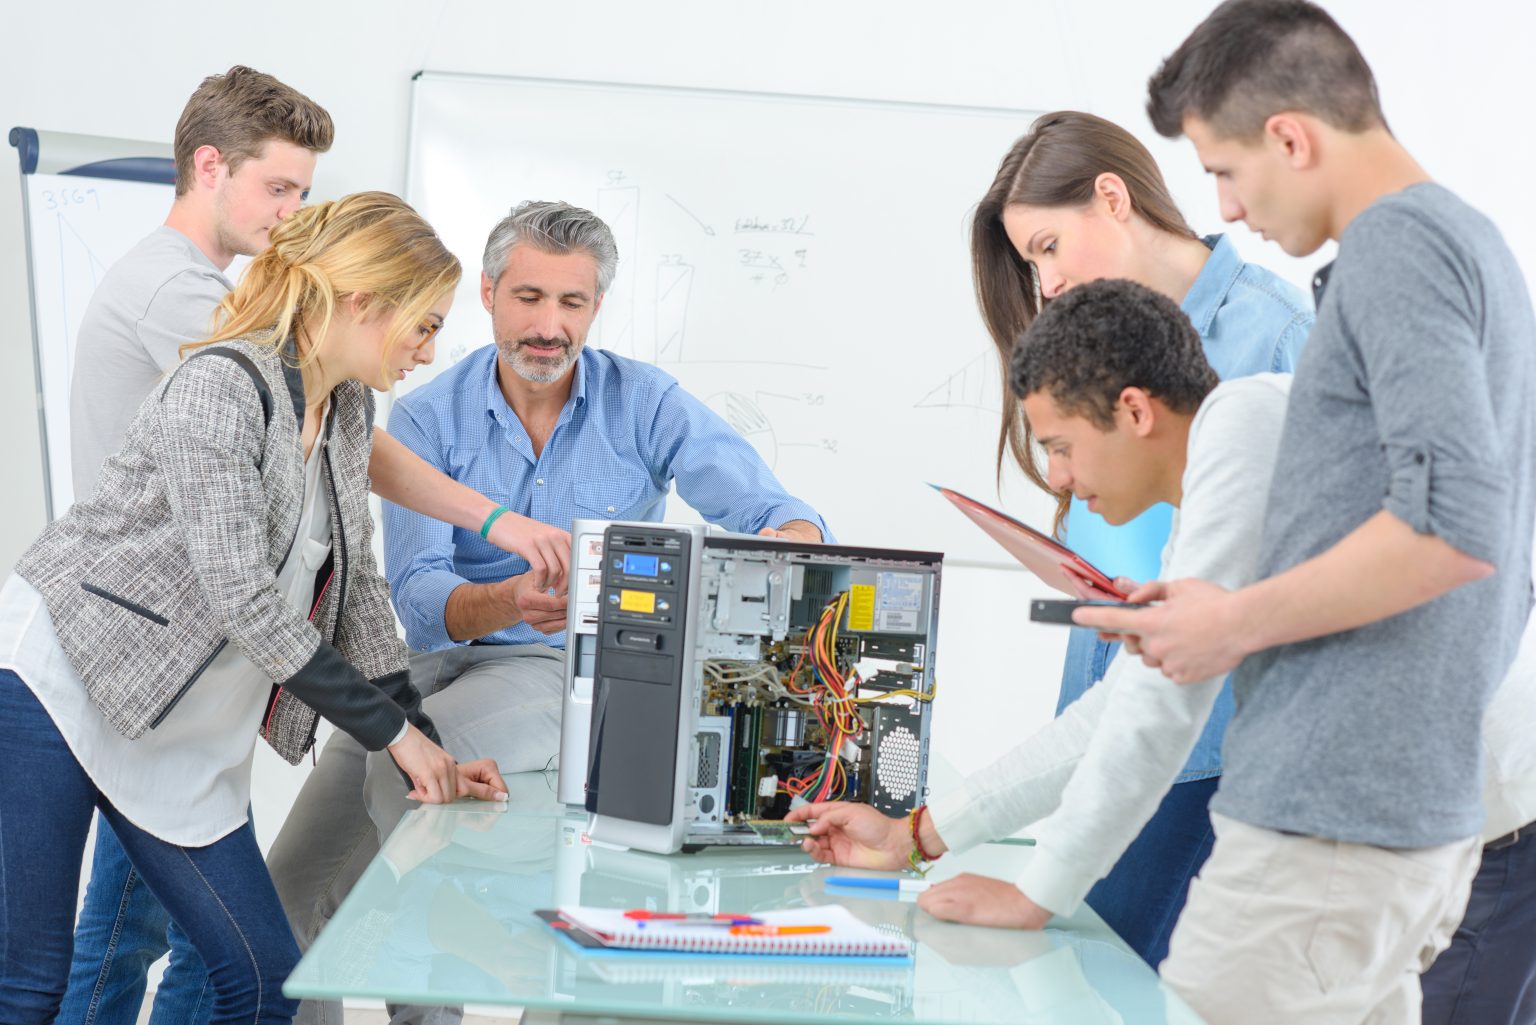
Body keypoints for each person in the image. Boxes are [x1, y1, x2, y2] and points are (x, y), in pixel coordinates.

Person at [60, 67, 568, 1025]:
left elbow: (356, 571)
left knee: (188, 945)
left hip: (198, 674)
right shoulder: (200, 319)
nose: (294, 214)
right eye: (281, 188)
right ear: (210, 167)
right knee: (142, 937)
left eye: (304, 193)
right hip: (146, 665)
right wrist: (496, 524)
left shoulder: (317, 381)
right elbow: (259, 580)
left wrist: (404, 720)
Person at [1075, 2, 1536, 1022]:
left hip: (1332, 813)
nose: (1228, 211)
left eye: (1223, 172)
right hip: (1390, 806)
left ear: (1291, 135)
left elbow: (1454, 522)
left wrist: (1228, 622)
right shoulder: (1464, 246)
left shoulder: (1400, 250)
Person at [268, 199, 830, 1025]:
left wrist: (791, 535)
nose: (549, 325)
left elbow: (774, 511)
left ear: (596, 307)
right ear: (489, 294)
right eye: (529, 298)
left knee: (413, 761)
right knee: (291, 887)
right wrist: (508, 597)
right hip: (426, 667)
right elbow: (421, 605)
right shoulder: (425, 414)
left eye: (572, 303)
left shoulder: (644, 402)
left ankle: (430, 1005)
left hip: (560, 671)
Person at [0, 192, 509, 1025]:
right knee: (31, 980)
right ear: (363, 302)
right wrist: (398, 739)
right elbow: (240, 593)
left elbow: (361, 594)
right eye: (422, 324)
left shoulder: (346, 410)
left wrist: (432, 747)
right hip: (62, 678)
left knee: (266, 974)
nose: (429, 348)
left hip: (178, 720)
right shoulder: (219, 385)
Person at [789, 278, 1290, 962]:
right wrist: (918, 833)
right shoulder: (1214, 477)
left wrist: (1036, 894)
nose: (1054, 478)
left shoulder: (1241, 436)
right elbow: (1113, 709)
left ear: (1135, 411)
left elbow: (1154, 708)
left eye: (1060, 445)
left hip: (1459, 832)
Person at [966, 110, 1311, 965]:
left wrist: (1022, 883)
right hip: (1126, 707)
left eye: (1047, 247)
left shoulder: (1272, 354)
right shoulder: (1107, 349)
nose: (1042, 282)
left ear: (1112, 198)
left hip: (1220, 748)